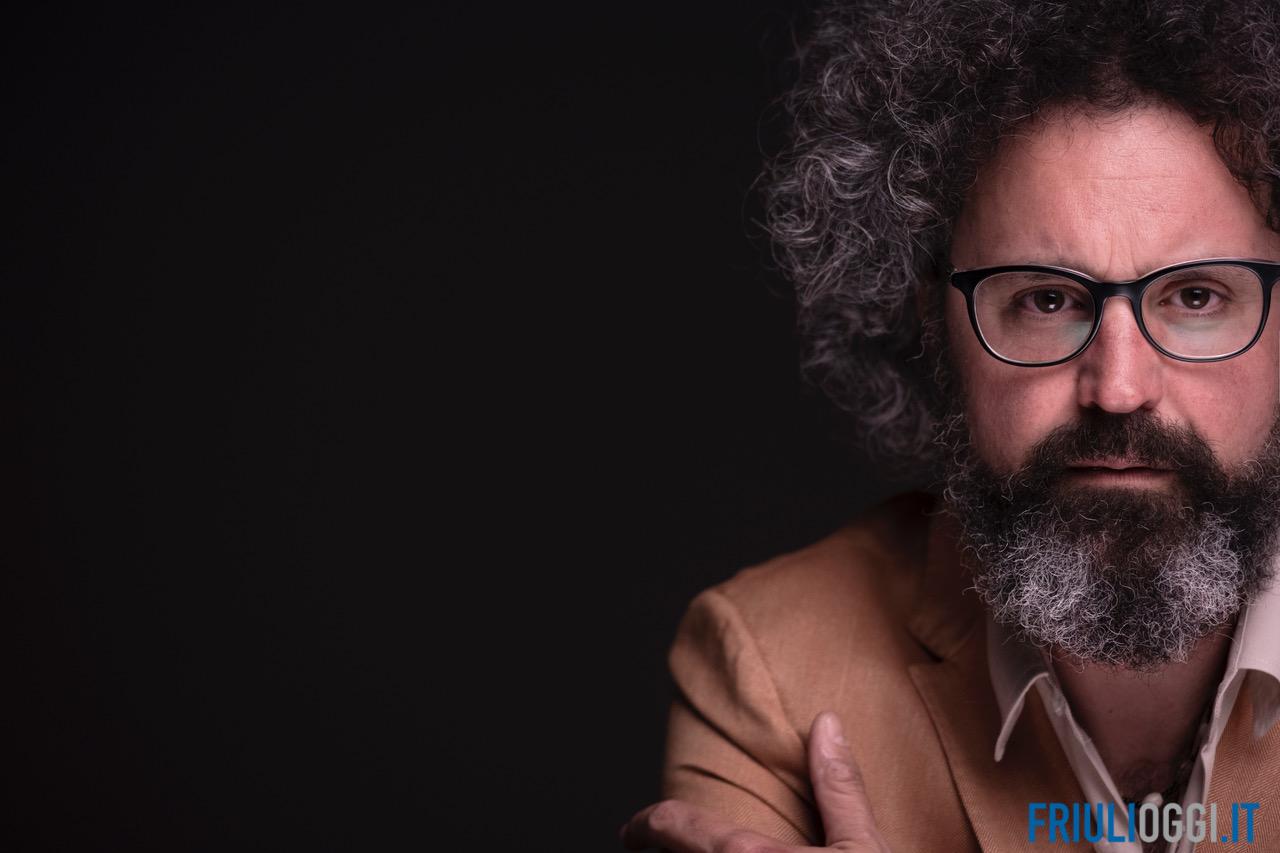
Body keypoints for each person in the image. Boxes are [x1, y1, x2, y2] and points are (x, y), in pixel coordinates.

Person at [621, 2, 1280, 851]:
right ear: (934, 324)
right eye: (1046, 300)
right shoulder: (771, 669)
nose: (1119, 388)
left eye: (1196, 296)